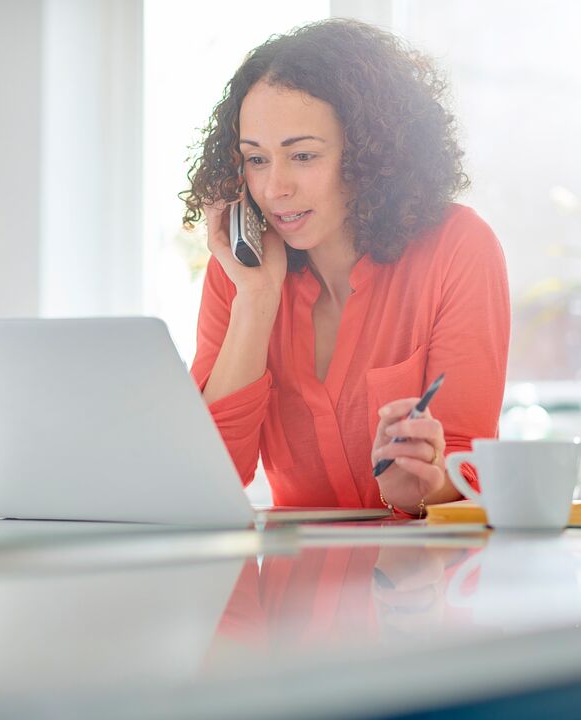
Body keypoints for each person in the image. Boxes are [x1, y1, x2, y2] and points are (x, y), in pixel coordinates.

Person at [181, 18, 510, 516]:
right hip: (293, 583)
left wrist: (420, 483)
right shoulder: (238, 273)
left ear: (370, 155)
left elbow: (466, 462)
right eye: (256, 160)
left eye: (304, 155)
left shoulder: (458, 248)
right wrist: (257, 299)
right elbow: (203, 481)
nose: (274, 189)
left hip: (421, 580)